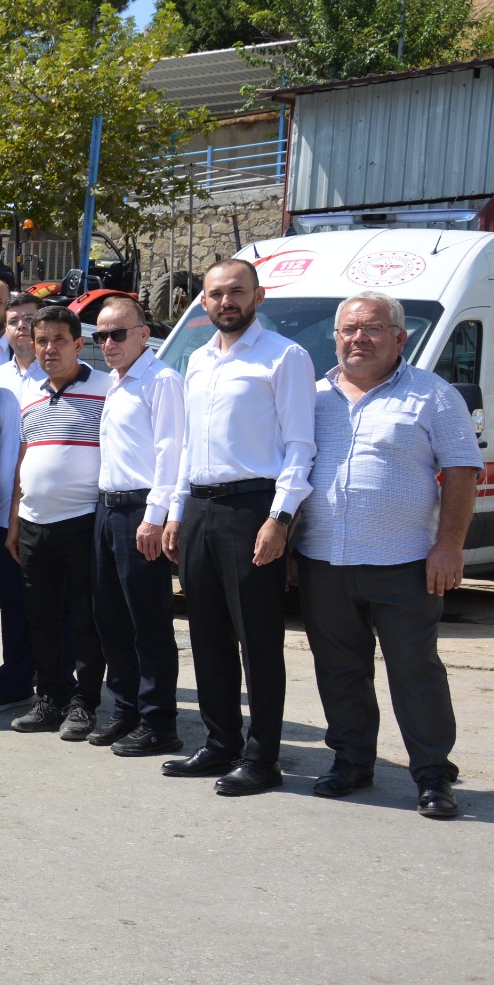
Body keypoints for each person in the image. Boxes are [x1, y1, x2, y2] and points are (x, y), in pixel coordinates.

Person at [295, 291, 480, 819]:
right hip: (323, 561)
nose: (359, 338)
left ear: (400, 338)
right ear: (336, 337)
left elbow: (463, 471)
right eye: (349, 329)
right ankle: (352, 762)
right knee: (338, 668)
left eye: (373, 328)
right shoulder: (312, 398)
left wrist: (449, 546)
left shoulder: (433, 395)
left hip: (404, 563)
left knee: (414, 670)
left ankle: (432, 775)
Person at [163, 258, 315, 796]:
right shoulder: (197, 360)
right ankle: (219, 743)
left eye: (237, 292)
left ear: (259, 296)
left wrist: (280, 517)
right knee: (206, 635)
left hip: (254, 508)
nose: (226, 302)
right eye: (216, 293)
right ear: (202, 301)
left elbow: (300, 444)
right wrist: (177, 513)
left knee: (258, 639)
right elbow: (186, 448)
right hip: (201, 510)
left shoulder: (284, 357)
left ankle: (262, 758)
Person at [4, 306, 109, 740]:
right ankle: (49, 698)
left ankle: (84, 704)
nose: (49, 348)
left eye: (58, 340)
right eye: (41, 340)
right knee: (41, 616)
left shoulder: (107, 389)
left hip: (83, 521)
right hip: (33, 524)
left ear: (78, 344)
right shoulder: (30, 393)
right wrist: (13, 521)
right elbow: (23, 460)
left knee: (85, 618)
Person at [91, 296, 185, 756]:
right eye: (101, 335)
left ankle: (158, 722)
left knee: (148, 622)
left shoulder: (162, 380)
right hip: (107, 510)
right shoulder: (116, 381)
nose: (108, 343)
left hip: (139, 511)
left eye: (118, 333)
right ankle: (126, 710)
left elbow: (172, 451)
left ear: (144, 334)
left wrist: (155, 515)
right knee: (111, 618)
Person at [0, 295, 46, 714]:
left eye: (30, 321)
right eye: (15, 321)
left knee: (54, 603)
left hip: (46, 513)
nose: (21, 328)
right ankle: (17, 680)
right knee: (13, 604)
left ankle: (58, 681)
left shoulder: (59, 376)